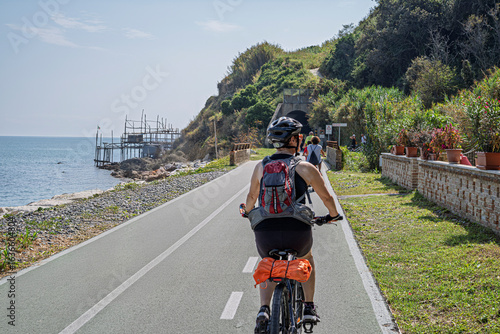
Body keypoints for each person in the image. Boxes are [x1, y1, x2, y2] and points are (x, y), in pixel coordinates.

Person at [242, 117, 341, 333]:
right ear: (295, 140)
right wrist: (332, 216)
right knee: (307, 258)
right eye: (299, 137)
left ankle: (264, 310)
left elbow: (251, 198)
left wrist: (247, 212)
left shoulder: (261, 166)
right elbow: (327, 198)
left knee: (268, 262)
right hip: (297, 232)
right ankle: (308, 307)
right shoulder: (305, 167)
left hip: (266, 234)